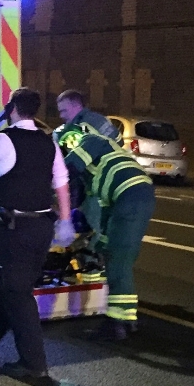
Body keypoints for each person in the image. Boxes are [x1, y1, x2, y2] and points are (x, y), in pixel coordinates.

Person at [0, 87, 76, 379]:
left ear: (11, 108)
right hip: (42, 227)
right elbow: (61, 183)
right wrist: (65, 221)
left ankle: (34, 363)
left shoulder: (2, 139)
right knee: (12, 288)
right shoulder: (48, 142)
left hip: (14, 230)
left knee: (18, 294)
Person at [59, 123, 155, 341]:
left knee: (119, 259)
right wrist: (99, 241)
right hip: (129, 198)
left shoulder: (93, 141)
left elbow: (68, 169)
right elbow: (100, 205)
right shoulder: (97, 170)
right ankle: (127, 319)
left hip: (129, 196)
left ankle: (117, 323)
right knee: (110, 250)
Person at [55, 89, 120, 143]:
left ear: (77, 105)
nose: (61, 116)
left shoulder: (87, 124)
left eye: (64, 111)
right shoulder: (97, 119)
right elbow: (119, 141)